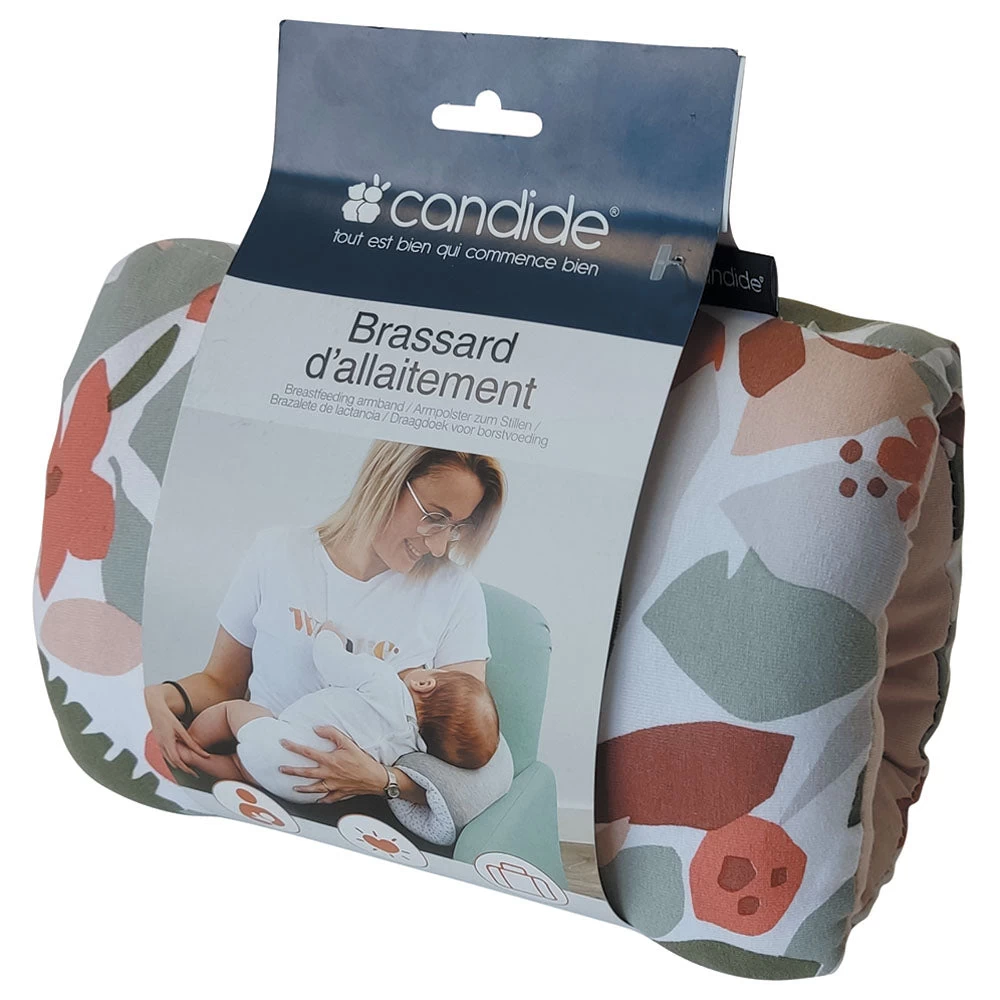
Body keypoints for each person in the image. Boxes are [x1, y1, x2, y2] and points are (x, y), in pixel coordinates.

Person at [144, 441, 505, 827]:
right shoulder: (277, 552)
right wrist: (158, 697)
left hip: (359, 811)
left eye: (455, 528)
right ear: (387, 481)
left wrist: (381, 781)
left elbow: (471, 768)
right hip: (253, 764)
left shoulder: (455, 593)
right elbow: (221, 682)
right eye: (434, 517)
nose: (439, 545)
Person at [184, 622, 501, 800]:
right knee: (246, 766)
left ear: (424, 682)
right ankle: (202, 762)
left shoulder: (382, 681)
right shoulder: (406, 751)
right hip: (307, 791)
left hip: (279, 739)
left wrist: (329, 635)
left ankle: (190, 742)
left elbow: (329, 661)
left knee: (234, 712)